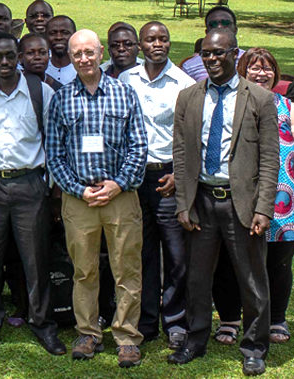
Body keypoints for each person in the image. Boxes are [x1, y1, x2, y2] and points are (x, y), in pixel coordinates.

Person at [167, 29, 278, 376]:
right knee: (197, 279)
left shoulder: (258, 98)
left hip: (240, 203)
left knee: (251, 279)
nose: (212, 59)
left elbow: (270, 158)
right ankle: (196, 340)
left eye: (219, 53)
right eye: (206, 54)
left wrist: (263, 207)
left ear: (234, 53)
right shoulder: (188, 97)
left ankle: (255, 347)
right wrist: (183, 203)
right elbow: (181, 153)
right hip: (201, 200)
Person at [45, 29, 147, 366]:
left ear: (101, 52)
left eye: (90, 52)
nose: (84, 59)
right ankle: (88, 333)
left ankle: (127, 336)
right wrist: (78, 189)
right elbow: (54, 155)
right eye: (77, 54)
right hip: (79, 199)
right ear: (70, 58)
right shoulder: (60, 99)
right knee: (84, 271)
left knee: (126, 270)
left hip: (121, 196)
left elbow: (138, 147)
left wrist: (117, 184)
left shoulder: (124, 93)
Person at [0, 32, 65, 355]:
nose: (4, 62)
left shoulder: (39, 91)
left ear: (18, 55)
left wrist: (52, 187)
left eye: (9, 56)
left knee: (36, 260)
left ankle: (43, 325)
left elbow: (53, 142)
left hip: (30, 185)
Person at [211, 48, 294, 349]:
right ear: (241, 73)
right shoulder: (227, 105)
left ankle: (276, 318)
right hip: (236, 201)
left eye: (268, 68)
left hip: (280, 202)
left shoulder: (288, 108)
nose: (261, 74)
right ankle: (230, 319)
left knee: (278, 263)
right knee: (228, 262)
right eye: (254, 68)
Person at [116, 21, 195, 349]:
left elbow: (193, 136)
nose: (157, 44)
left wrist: (181, 174)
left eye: (162, 38)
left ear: (169, 43)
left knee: (175, 254)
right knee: (142, 253)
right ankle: (146, 320)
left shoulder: (184, 84)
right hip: (134, 179)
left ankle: (175, 320)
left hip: (169, 178)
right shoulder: (125, 79)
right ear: (140, 45)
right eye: (150, 39)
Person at [181, 6, 245, 82]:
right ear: (206, 32)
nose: (219, 27)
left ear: (235, 30)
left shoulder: (251, 61)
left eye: (226, 23)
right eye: (213, 24)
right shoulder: (190, 67)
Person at [45, 16, 76, 86]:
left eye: (65, 33)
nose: (58, 37)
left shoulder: (82, 68)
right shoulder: (41, 68)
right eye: (53, 33)